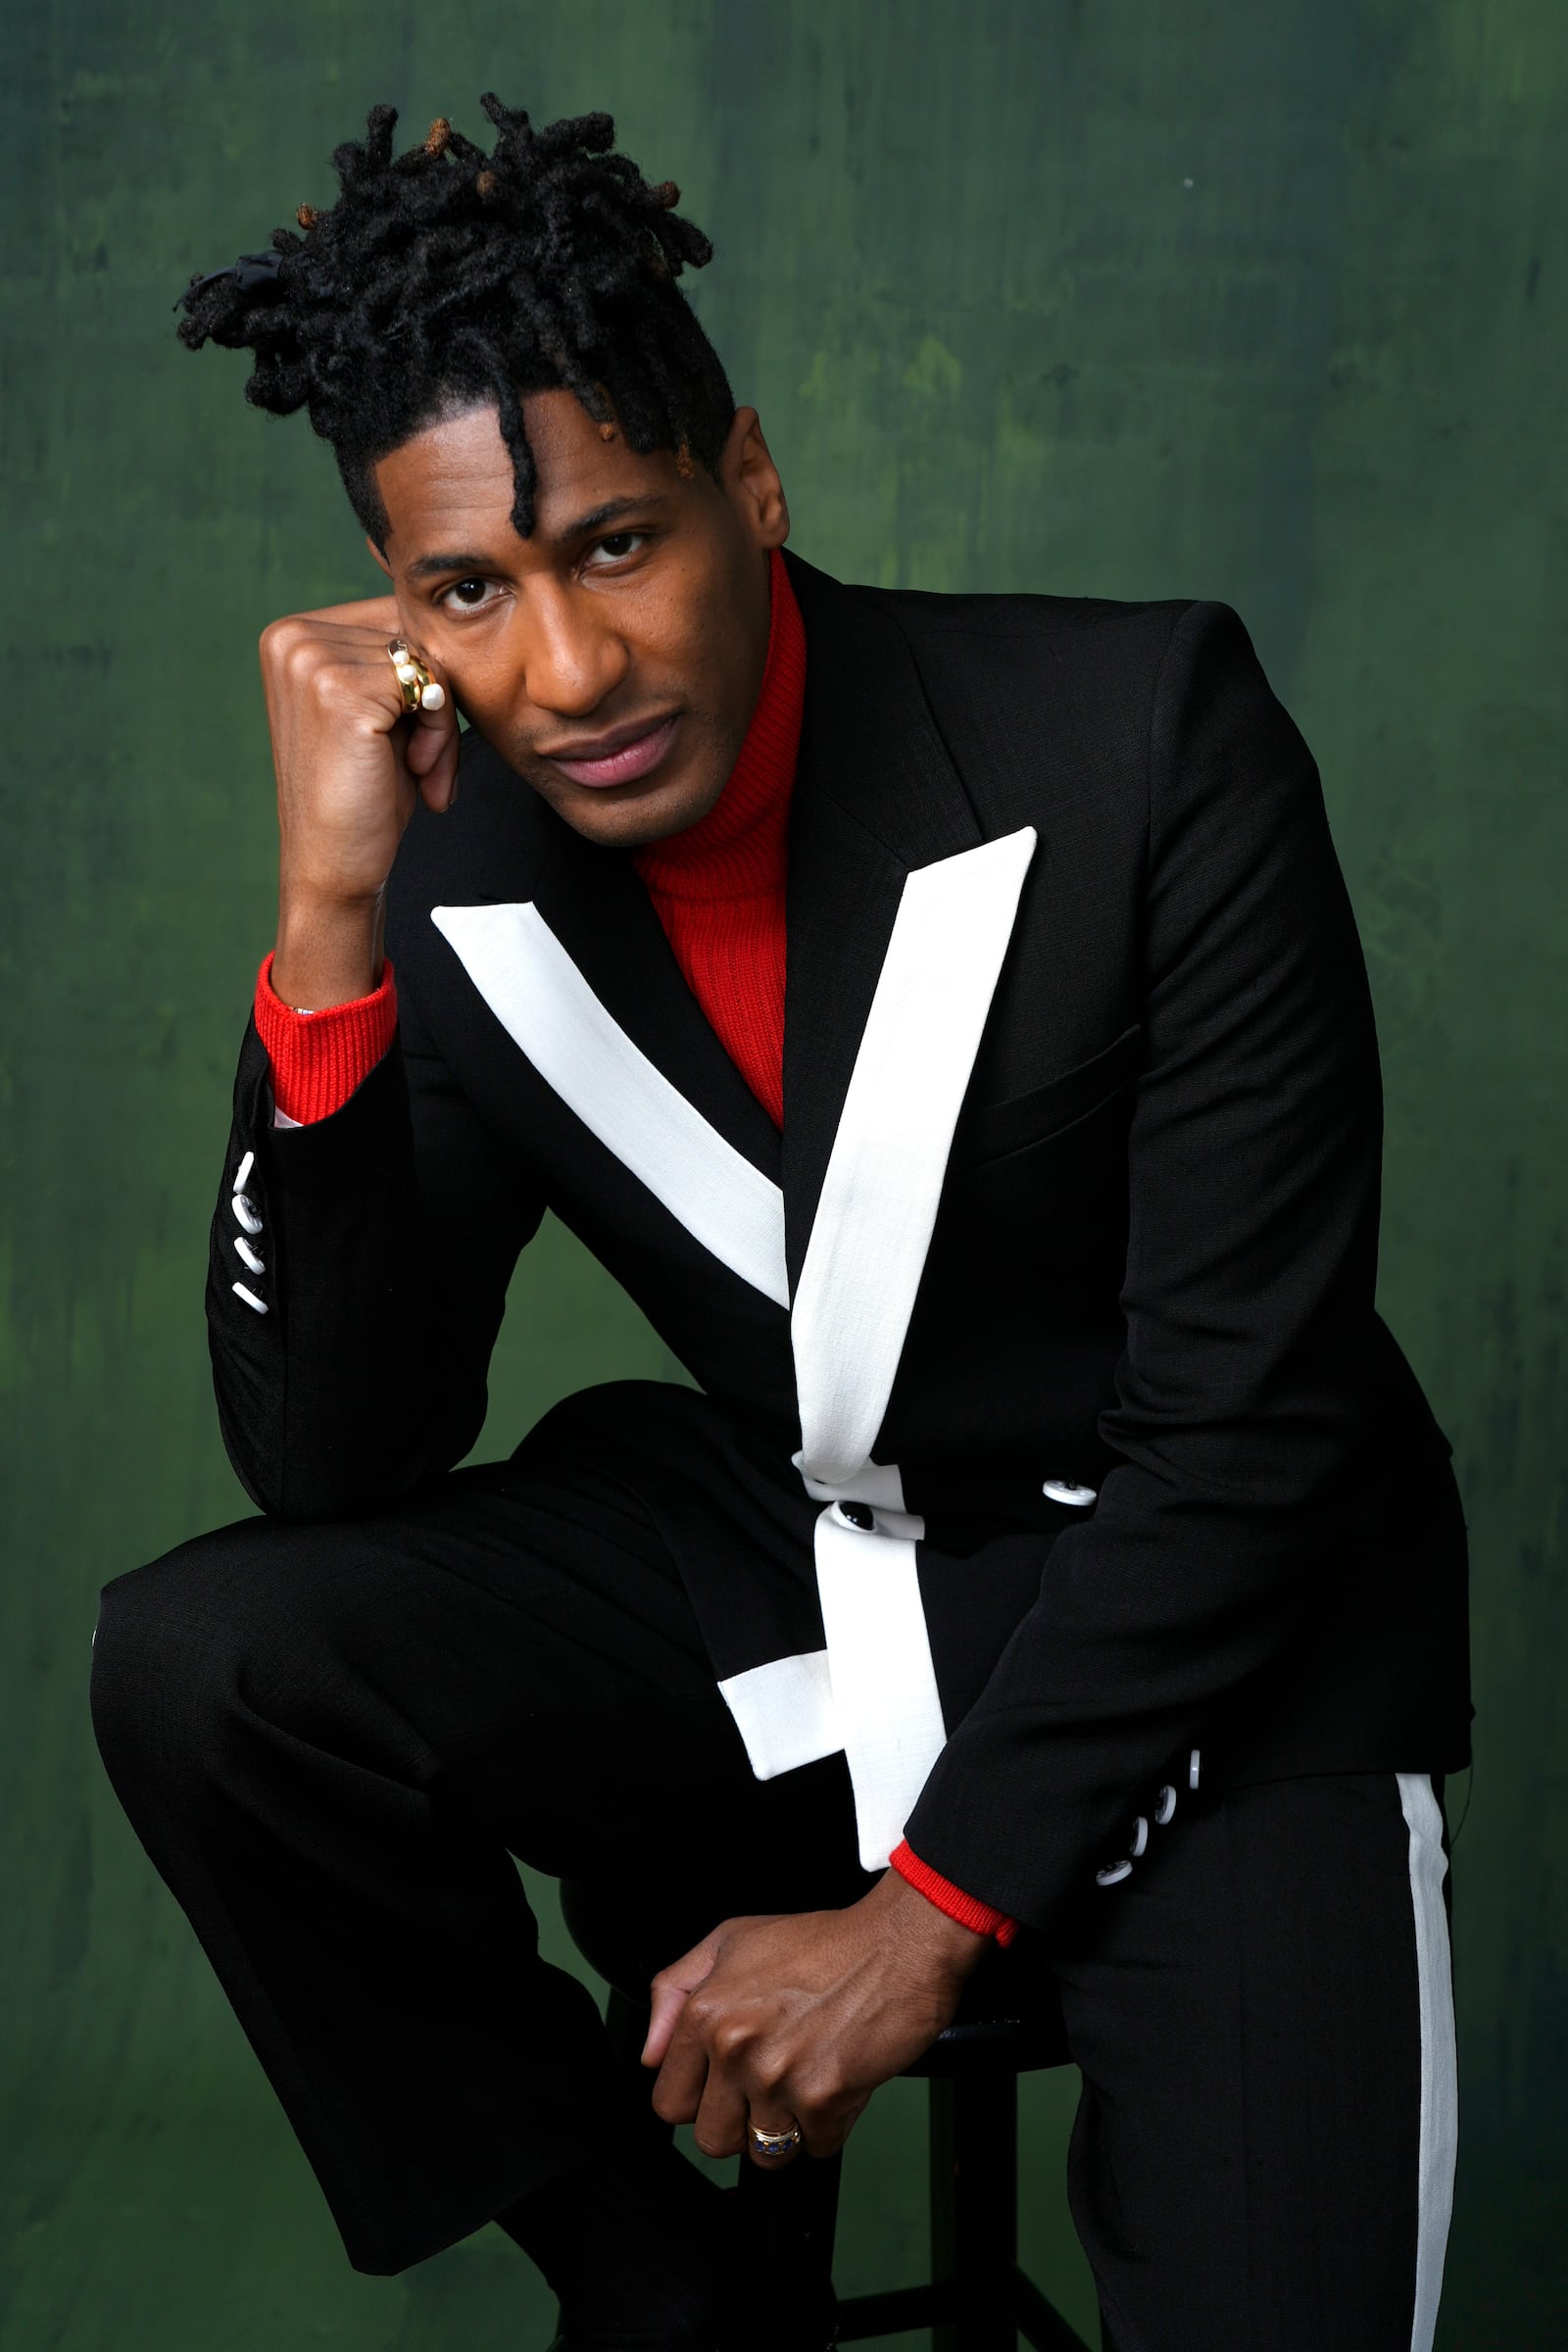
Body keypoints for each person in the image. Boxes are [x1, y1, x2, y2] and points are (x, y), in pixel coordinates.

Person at [89, 93, 1472, 2352]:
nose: (563, 669)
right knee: (207, 1663)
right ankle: (653, 2286)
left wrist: (915, 1918)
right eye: (469, 589)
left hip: (1225, 1636)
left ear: (746, 484)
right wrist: (330, 920)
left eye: (615, 546)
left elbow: (1253, 1433)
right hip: (816, 1564)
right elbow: (333, 1459)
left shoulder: (1141, 736)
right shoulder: (441, 871)